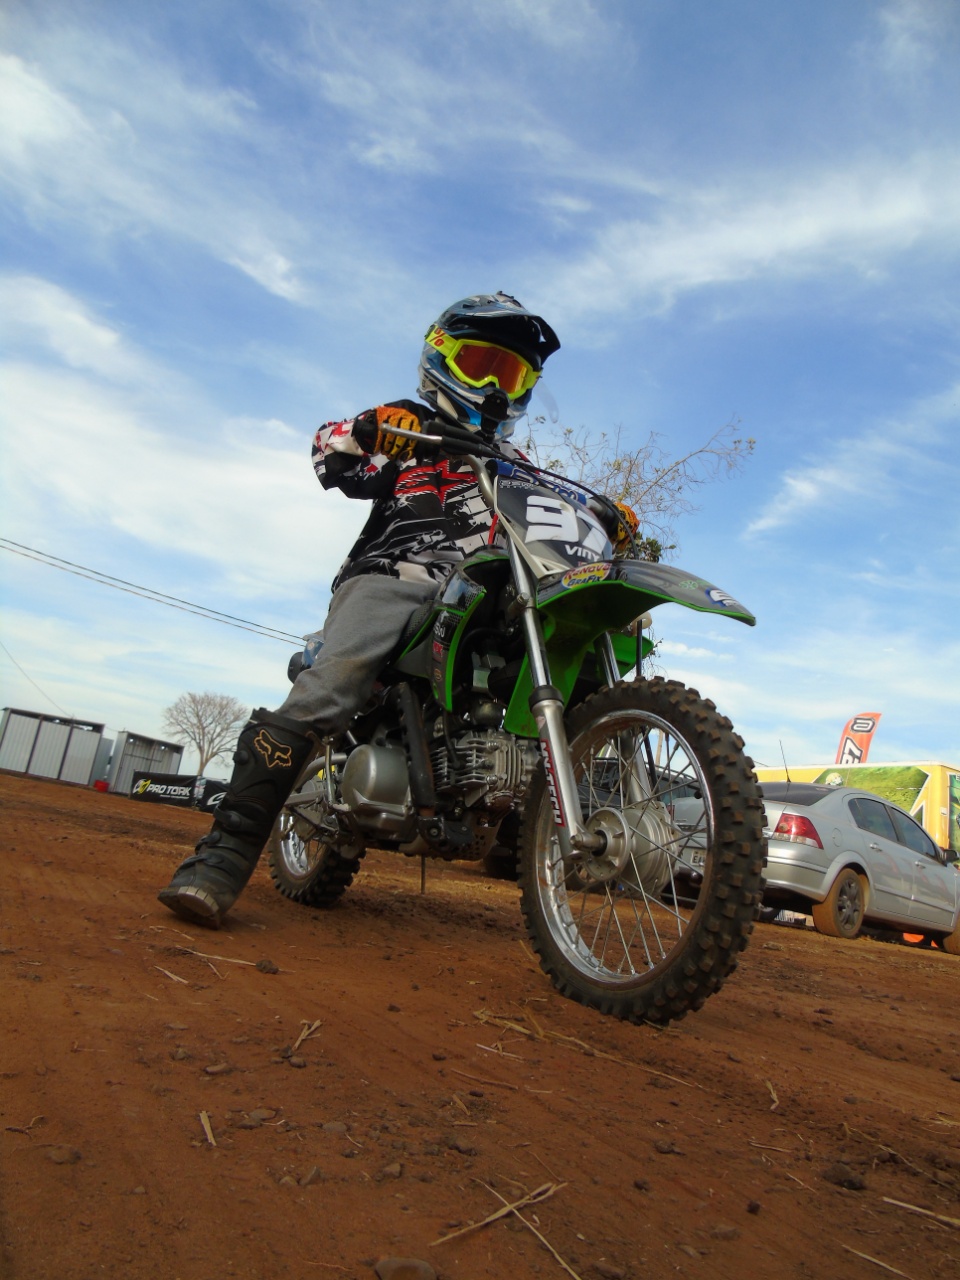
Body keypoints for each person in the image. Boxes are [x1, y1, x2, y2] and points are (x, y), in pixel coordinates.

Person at [158, 292, 637, 928]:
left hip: (495, 587)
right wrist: (367, 430)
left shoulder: (519, 466)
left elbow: (549, 524)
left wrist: (605, 519)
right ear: (442, 360)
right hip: (398, 574)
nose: (496, 385)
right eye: (482, 363)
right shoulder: (409, 424)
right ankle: (219, 858)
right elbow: (330, 454)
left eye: (513, 373)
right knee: (326, 691)